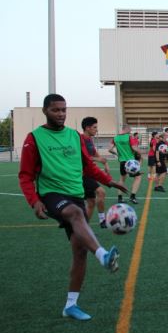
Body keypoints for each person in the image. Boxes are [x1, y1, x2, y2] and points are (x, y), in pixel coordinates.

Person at [18, 94, 127, 321]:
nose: (61, 114)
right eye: (56, 110)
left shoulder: (75, 137)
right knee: (76, 213)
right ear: (45, 110)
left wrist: (109, 181)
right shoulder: (34, 138)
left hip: (75, 193)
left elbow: (87, 166)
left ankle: (70, 305)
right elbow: (26, 175)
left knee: (79, 252)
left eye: (64, 110)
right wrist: (34, 200)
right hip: (51, 194)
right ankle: (104, 256)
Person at [81, 117, 110, 228]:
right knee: (101, 192)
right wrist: (98, 160)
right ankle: (102, 220)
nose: (96, 130)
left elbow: (94, 153)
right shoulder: (79, 139)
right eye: (95, 127)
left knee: (91, 202)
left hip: (89, 174)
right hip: (81, 175)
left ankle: (84, 228)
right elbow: (82, 156)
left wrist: (105, 164)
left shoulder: (89, 140)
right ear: (87, 128)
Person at [108, 125, 142, 204]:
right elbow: (134, 148)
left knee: (122, 179)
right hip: (131, 162)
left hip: (122, 162)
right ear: (127, 129)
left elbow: (109, 149)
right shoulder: (129, 137)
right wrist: (140, 153)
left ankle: (120, 198)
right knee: (138, 178)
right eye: (130, 129)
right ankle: (132, 197)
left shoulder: (115, 138)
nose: (130, 131)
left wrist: (116, 154)